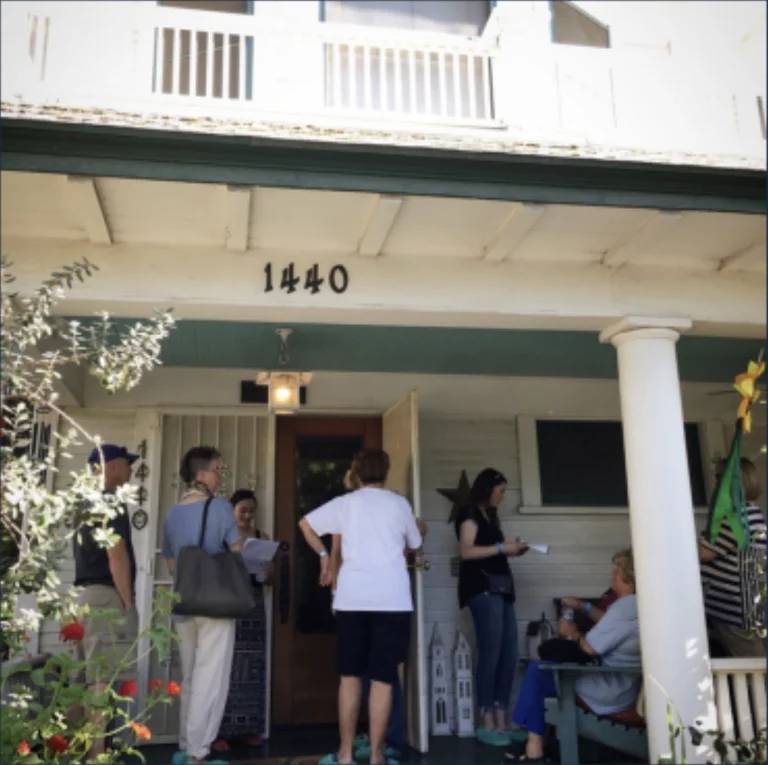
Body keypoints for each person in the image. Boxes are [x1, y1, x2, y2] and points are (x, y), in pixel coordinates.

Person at [298, 449, 423, 765]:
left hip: (352, 599)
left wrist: (324, 555)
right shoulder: (399, 504)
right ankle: (377, 756)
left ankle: (345, 753)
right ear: (386, 471)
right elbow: (416, 544)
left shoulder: (345, 504)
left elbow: (305, 524)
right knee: (382, 677)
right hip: (392, 599)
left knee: (350, 676)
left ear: (356, 473)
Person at [506, 549, 641, 764]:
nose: (613, 573)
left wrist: (572, 633)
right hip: (623, 684)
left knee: (539, 671)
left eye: (618, 570)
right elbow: (612, 626)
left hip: (608, 689)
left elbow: (589, 648)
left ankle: (534, 751)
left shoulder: (625, 607)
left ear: (630, 581)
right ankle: (535, 745)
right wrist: (583, 607)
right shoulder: (635, 606)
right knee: (543, 671)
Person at [162, 446, 243, 765]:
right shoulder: (221, 507)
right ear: (201, 474)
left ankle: (186, 744)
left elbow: (171, 567)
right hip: (216, 602)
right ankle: (198, 752)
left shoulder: (172, 513)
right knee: (213, 675)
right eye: (217, 470)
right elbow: (236, 552)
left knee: (192, 675)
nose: (221, 476)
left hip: (184, 601)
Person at [330, 467, 406, 762]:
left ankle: (368, 747)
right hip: (373, 598)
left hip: (374, 599)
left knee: (372, 674)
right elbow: (336, 551)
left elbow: (412, 537)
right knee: (373, 675)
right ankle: (371, 751)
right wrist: (336, 591)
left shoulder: (392, 504)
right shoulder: (347, 507)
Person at [72, 444, 139, 759]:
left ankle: (73, 752)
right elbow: (116, 555)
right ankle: (98, 755)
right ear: (111, 465)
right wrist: (128, 603)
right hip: (104, 599)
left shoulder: (85, 502)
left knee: (82, 680)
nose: (130, 471)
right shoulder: (110, 500)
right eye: (127, 464)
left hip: (83, 600)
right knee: (102, 681)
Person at [452, 468, 528, 747]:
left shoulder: (489, 516)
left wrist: (513, 549)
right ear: (488, 487)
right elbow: (466, 550)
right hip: (482, 590)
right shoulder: (469, 512)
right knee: (491, 651)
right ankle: (486, 718)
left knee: (509, 653)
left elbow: (495, 549)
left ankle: (501, 715)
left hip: (502, 590)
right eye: (501, 491)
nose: (502, 496)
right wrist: (502, 548)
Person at [212, 489, 272, 753]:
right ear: (232, 511)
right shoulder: (222, 538)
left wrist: (266, 572)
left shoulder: (262, 538)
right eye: (242, 510)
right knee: (225, 667)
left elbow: (267, 580)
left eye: (251, 511)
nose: (247, 516)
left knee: (253, 667)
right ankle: (219, 731)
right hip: (229, 604)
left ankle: (250, 729)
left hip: (254, 605)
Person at [699, 457, 766, 657]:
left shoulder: (736, 517)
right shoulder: (752, 512)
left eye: (719, 478)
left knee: (752, 672)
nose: (714, 483)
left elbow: (703, 553)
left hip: (734, 612)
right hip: (748, 608)